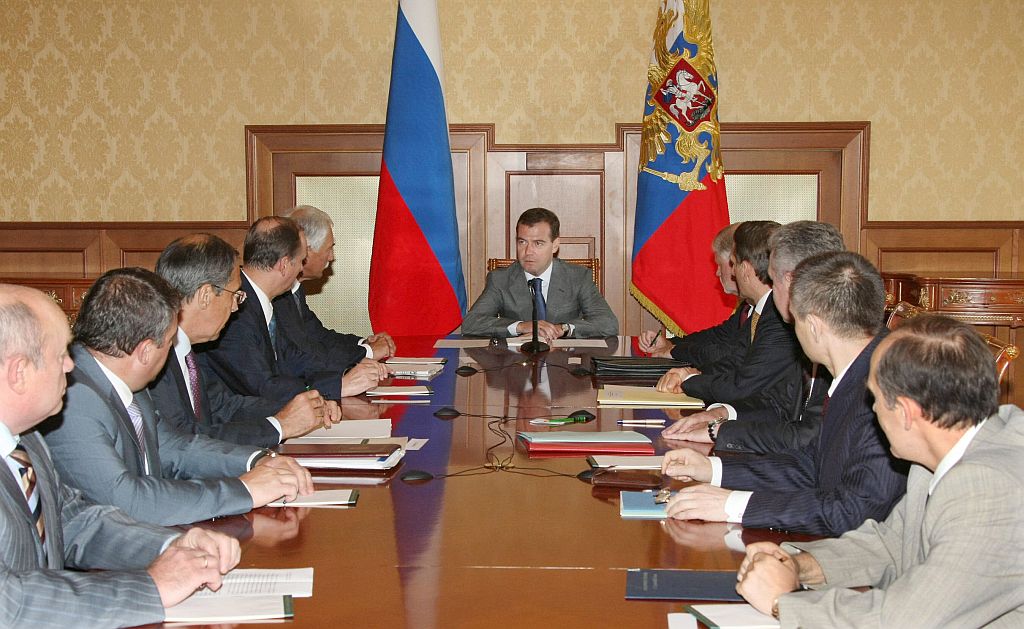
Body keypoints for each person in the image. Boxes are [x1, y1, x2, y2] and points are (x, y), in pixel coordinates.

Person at [736, 315, 1024, 626]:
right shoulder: (944, 455)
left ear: (906, 413)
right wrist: (796, 564)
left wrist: (783, 603)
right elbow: (891, 543)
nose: (871, 410)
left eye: (874, 399)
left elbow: (907, 620)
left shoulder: (988, 488)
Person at [0, 284, 241, 627]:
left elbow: (74, 521)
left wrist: (171, 545)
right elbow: (8, 604)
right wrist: (151, 587)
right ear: (19, 372)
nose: (71, 366)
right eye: (59, 356)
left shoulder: (29, 440)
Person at [41, 267, 313, 526]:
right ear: (146, 352)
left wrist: (255, 460)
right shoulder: (73, 400)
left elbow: (173, 448)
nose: (173, 349)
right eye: (171, 340)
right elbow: (125, 501)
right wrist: (244, 491)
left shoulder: (124, 379)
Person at [661, 252, 908, 536]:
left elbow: (854, 511)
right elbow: (811, 465)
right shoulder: (858, 367)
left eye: (794, 319)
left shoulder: (887, 386)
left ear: (813, 326)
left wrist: (735, 505)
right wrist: (713, 469)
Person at [662, 221, 845, 452]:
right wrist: (723, 414)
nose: (770, 291)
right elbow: (781, 404)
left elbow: (807, 438)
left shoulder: (854, 354)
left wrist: (720, 433)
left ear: (790, 281)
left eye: (772, 279)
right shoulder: (817, 336)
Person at [150, 233, 341, 448]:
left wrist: (304, 409)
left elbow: (224, 406)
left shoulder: (188, 351)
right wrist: (280, 426)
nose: (235, 307)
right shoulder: (155, 360)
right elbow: (183, 442)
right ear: (205, 295)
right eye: (235, 295)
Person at [198, 216, 390, 402]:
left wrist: (348, 369)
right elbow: (262, 387)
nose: (300, 270)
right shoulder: (234, 311)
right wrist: (339, 385)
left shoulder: (261, 300)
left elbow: (294, 360)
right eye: (300, 261)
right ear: (283, 265)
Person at [654, 221, 803, 405]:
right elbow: (735, 361)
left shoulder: (778, 317)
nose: (731, 272)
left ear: (746, 269)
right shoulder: (760, 310)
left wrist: (687, 379)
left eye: (733, 264)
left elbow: (744, 384)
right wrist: (693, 373)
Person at [461, 207, 618, 341]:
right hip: (516, 366)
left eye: (538, 243)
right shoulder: (500, 279)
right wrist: (522, 327)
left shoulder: (578, 277)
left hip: (564, 369)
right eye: (522, 242)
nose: (528, 252)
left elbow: (608, 323)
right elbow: (471, 323)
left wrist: (563, 328)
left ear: (555, 245)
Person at [275, 205, 396, 371]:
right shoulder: (278, 296)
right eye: (329, 248)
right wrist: (367, 353)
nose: (332, 257)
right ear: (306, 250)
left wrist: (365, 343)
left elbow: (321, 337)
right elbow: (306, 355)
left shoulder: (295, 290)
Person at [637, 222, 742, 367]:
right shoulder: (748, 308)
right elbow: (717, 336)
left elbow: (726, 353)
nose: (717, 272)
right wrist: (670, 343)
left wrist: (672, 351)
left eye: (719, 264)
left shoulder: (769, 310)